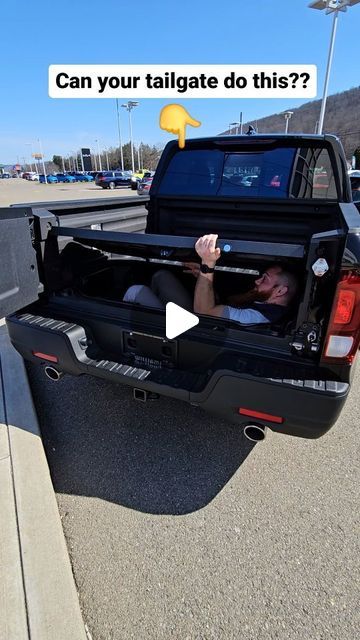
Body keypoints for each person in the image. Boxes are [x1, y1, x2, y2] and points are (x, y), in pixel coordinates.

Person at [123, 234, 298, 325]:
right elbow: (224, 303)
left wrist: (207, 263)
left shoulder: (258, 317)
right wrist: (203, 276)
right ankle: (157, 318)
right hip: (200, 322)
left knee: (136, 291)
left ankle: (152, 328)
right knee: (162, 276)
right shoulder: (262, 302)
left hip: (193, 332)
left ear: (281, 291)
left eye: (265, 279)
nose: (257, 281)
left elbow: (204, 313)